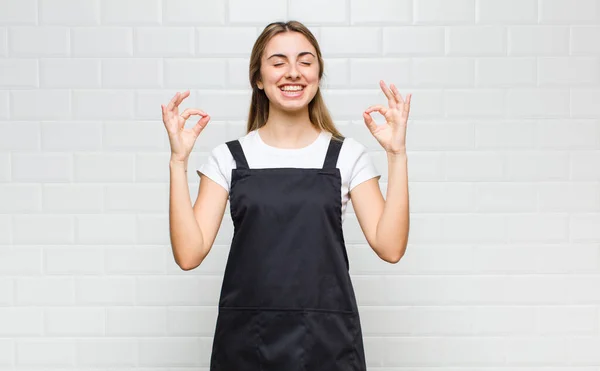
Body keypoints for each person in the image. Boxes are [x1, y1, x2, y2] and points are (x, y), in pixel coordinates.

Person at [162, 20, 411, 371]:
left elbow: (391, 247)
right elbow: (188, 254)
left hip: (329, 343)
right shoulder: (230, 158)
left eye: (305, 62)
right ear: (259, 79)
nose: (292, 72)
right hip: (246, 344)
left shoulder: (346, 156)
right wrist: (178, 161)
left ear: (318, 75)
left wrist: (397, 154)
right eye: (278, 62)